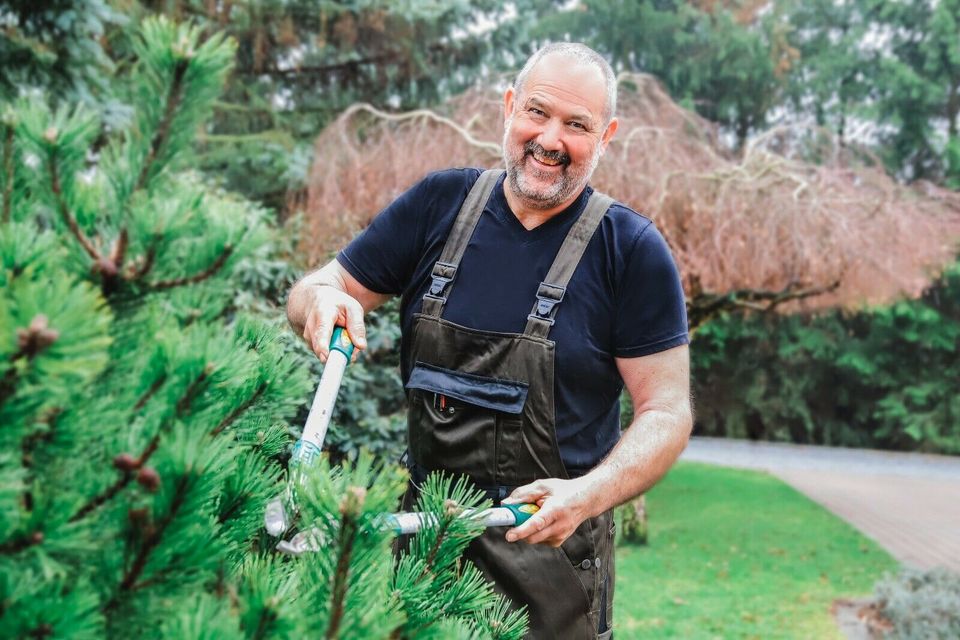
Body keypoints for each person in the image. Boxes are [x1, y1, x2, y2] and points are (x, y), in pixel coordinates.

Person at [287, 42, 693, 639]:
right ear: (509, 108)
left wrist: (588, 494)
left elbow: (667, 411)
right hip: (424, 555)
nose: (551, 139)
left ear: (605, 136)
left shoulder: (629, 251)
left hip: (549, 564)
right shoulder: (438, 206)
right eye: (537, 112)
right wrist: (322, 299)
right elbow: (318, 287)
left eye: (576, 125)